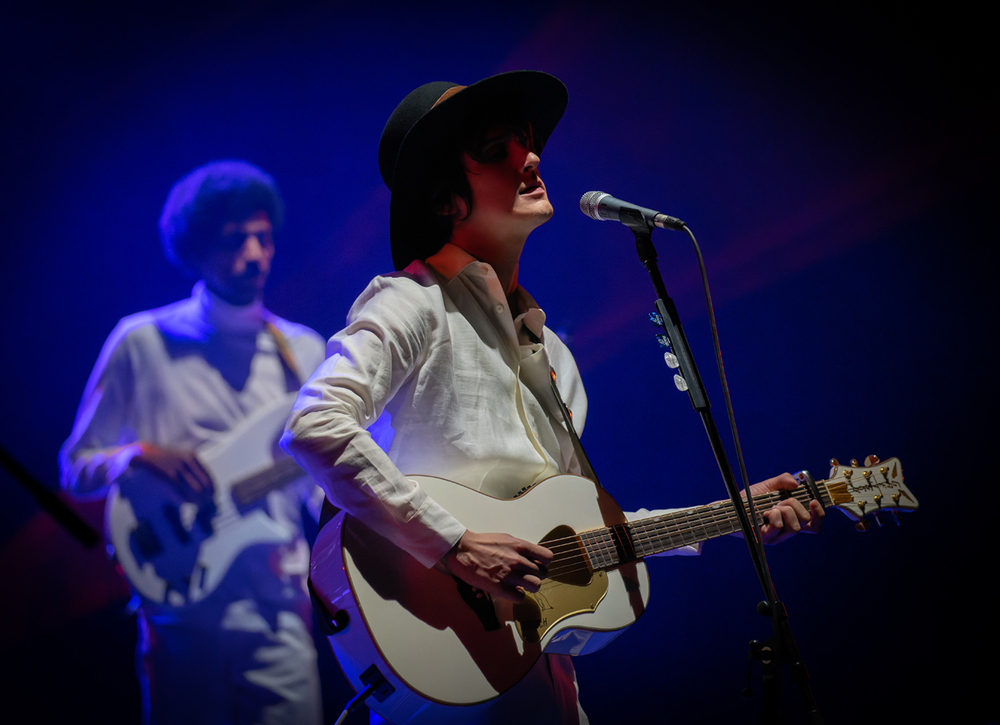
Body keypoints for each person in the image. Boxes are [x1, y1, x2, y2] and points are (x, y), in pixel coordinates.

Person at [282, 71, 823, 724]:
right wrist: (453, 542)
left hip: (538, 672)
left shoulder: (556, 357)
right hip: (441, 670)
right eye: (497, 147)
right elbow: (315, 422)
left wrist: (731, 512)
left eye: (527, 140)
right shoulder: (411, 300)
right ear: (448, 201)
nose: (530, 156)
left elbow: (567, 529)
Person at [60, 160, 327, 725]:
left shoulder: (302, 350)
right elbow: (75, 466)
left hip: (277, 607)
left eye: (264, 238)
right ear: (195, 248)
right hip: (177, 613)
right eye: (236, 240)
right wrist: (136, 455)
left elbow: (316, 490)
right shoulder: (142, 341)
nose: (256, 254)